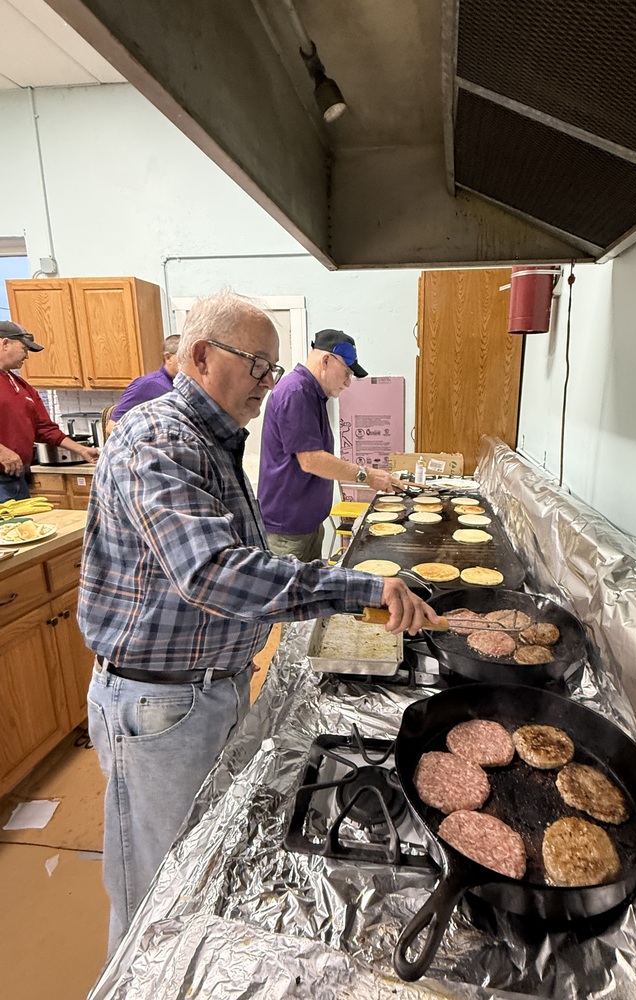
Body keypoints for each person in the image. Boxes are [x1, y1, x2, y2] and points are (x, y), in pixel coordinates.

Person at [78, 291, 439, 952]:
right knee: (153, 895)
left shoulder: (212, 438)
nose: (269, 383)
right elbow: (214, 572)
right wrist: (358, 589)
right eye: (257, 366)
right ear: (201, 355)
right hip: (160, 700)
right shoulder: (160, 437)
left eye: (273, 368)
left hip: (205, 688)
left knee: (195, 867)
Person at [258, 329, 397, 561]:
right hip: (288, 532)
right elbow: (312, 460)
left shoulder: (313, 395)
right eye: (346, 372)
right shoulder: (296, 392)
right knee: (291, 597)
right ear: (326, 360)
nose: (348, 382)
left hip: (307, 525)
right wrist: (367, 476)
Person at [0, 322, 99, 502]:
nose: (27, 356)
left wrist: (82, 450)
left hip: (17, 478)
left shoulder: (21, 386)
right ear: (5, 343)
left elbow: (44, 428)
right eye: (24, 349)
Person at [105, 334, 180, 433]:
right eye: (183, 356)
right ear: (168, 358)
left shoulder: (184, 385)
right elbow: (112, 427)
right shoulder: (146, 384)